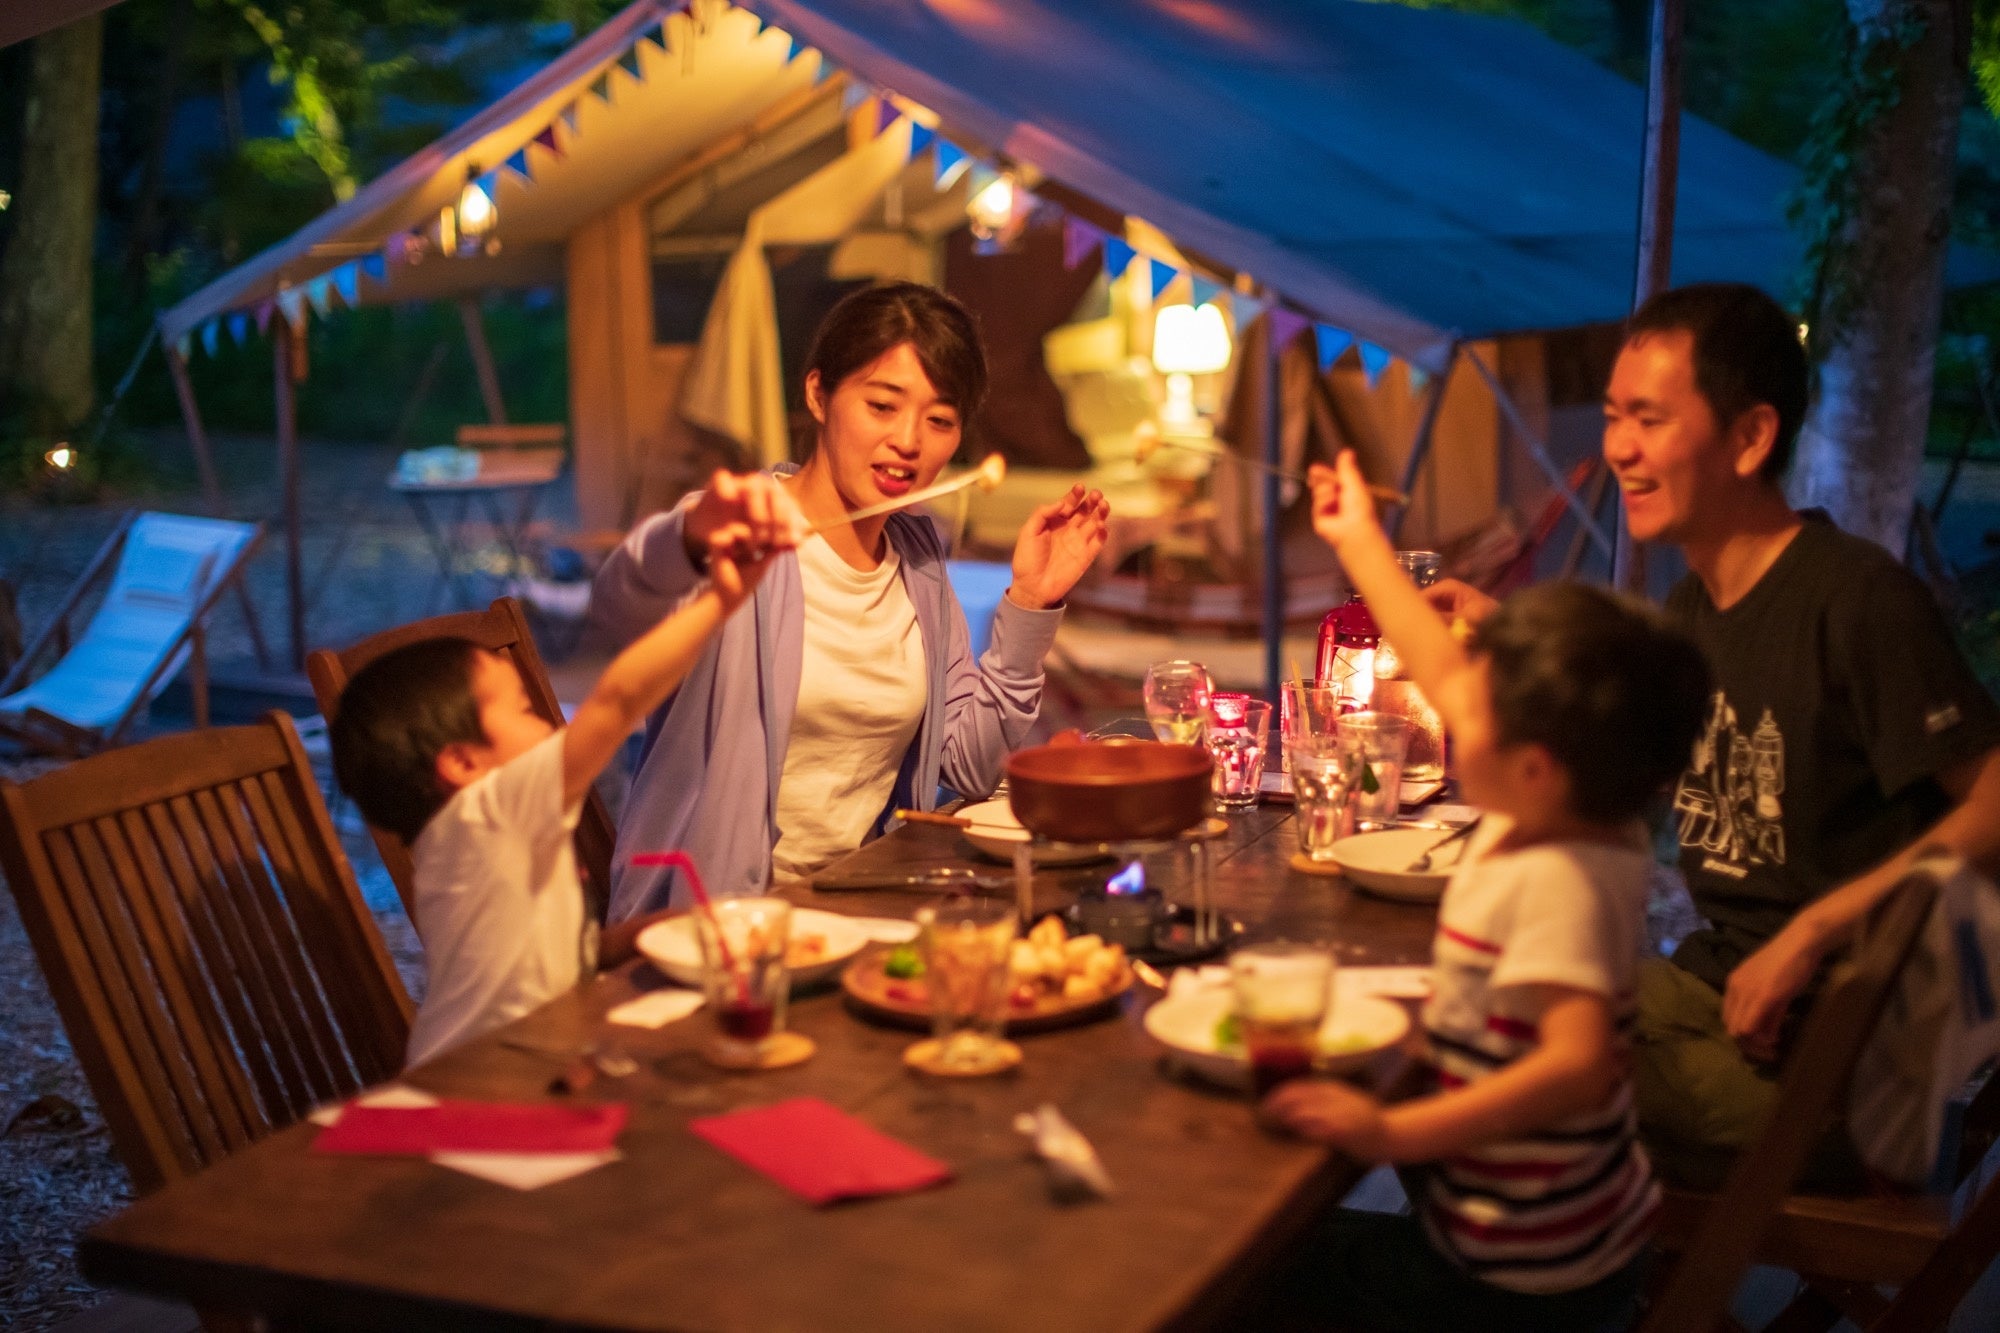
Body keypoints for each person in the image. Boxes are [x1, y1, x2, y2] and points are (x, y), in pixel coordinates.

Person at [1426, 282, 2000, 1187]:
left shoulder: (1856, 600)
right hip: (1715, 993)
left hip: (1842, 1072)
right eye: (1615, 415)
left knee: (1492, 1066)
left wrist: (1818, 924)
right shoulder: (1700, 604)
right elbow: (1624, 724)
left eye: (1649, 419)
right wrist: (1496, 629)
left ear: (1750, 437)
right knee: (1454, 1002)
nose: (1618, 447)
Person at [1248, 450, 1709, 1332]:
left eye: (1475, 707)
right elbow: (1446, 664)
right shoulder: (1577, 804)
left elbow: (1575, 1069)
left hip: (1523, 1281)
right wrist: (1358, 541)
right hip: (1524, 1235)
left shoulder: (1561, 878)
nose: (1448, 702)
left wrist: (1388, 1138)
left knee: (1268, 1278)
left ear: (1532, 765)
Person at [591, 282, 1109, 918]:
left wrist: (1029, 603)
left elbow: (971, 769)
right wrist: (686, 537)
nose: (909, 441)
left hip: (858, 903)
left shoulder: (917, 557)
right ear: (818, 394)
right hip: (713, 923)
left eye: (940, 420)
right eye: (883, 405)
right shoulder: (739, 533)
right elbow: (618, 604)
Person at [331, 521, 789, 1066]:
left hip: (527, 1057)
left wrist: (649, 930)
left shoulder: (482, 838)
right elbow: (618, 702)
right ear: (460, 763)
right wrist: (722, 599)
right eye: (524, 710)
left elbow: (552, 958)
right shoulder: (488, 812)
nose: (550, 726)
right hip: (475, 1079)